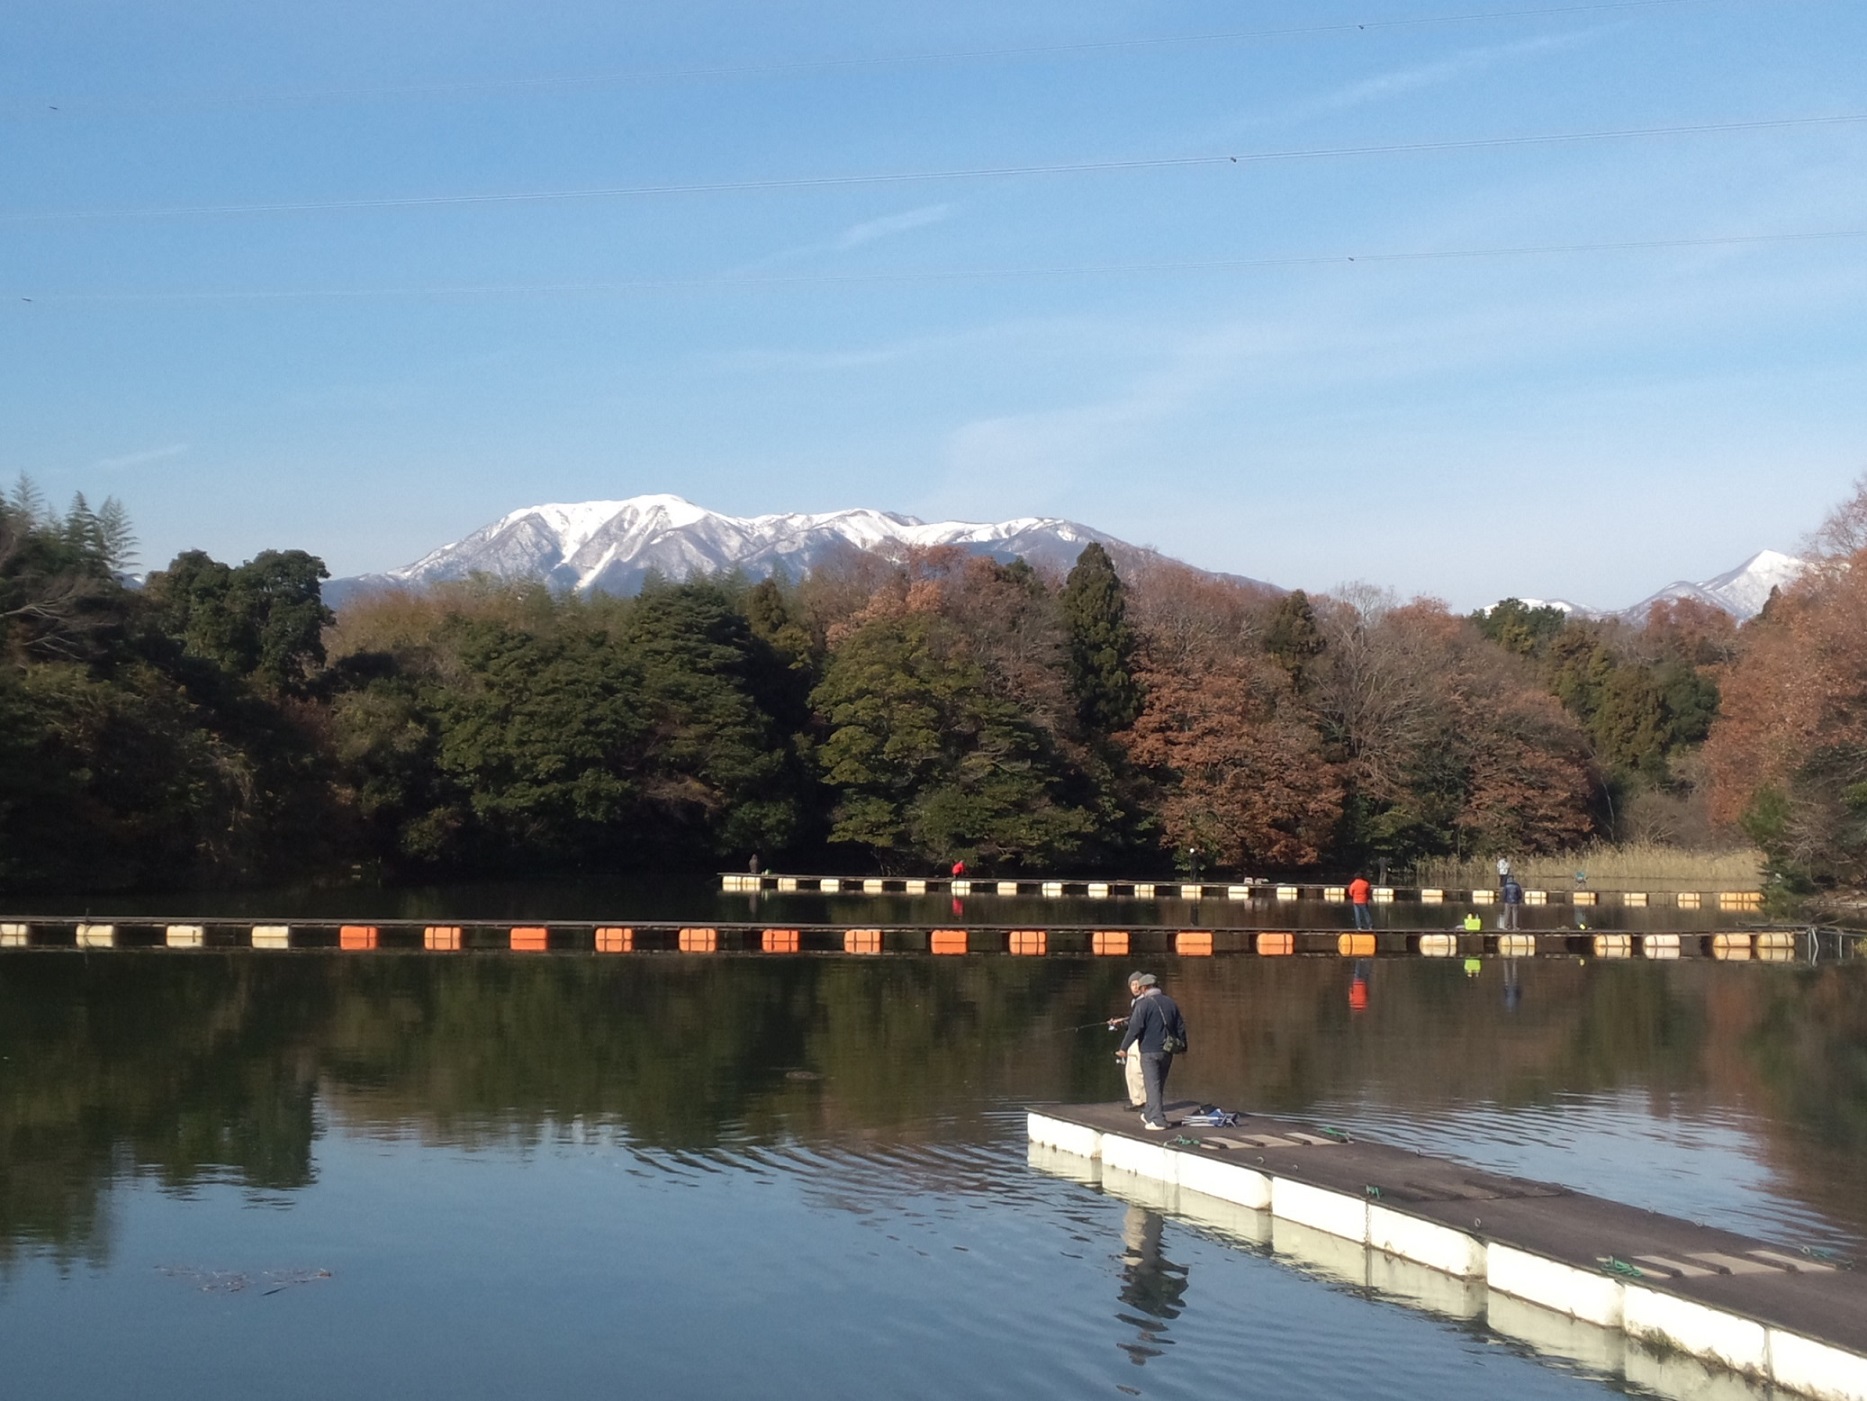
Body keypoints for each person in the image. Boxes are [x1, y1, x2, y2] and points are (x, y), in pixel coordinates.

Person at [1114, 972, 1187, 1131]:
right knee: (1159, 1084)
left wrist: (1123, 1048)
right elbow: (1180, 1026)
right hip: (1167, 1051)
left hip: (1149, 1051)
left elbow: (1134, 1029)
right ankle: (1149, 1113)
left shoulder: (1143, 1005)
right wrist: (1183, 1046)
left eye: (1141, 988)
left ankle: (1158, 1120)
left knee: (1152, 1085)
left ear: (1145, 988)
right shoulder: (1170, 1003)